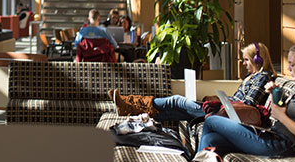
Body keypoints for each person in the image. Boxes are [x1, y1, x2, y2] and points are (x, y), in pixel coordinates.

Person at [111, 41, 276, 121]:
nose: (244, 63)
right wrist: (222, 99)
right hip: (225, 111)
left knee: (177, 100)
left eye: (246, 60)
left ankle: (129, 102)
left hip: (230, 116)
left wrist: (223, 101)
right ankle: (131, 112)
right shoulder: (251, 78)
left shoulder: (262, 78)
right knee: (177, 112)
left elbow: (248, 105)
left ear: (257, 60)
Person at [195, 44, 295, 158]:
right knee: (210, 139)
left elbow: (281, 115)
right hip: (271, 135)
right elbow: (280, 107)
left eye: (292, 64)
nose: (288, 68)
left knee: (211, 121)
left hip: (282, 145)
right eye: (288, 63)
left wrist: (281, 116)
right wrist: (274, 93)